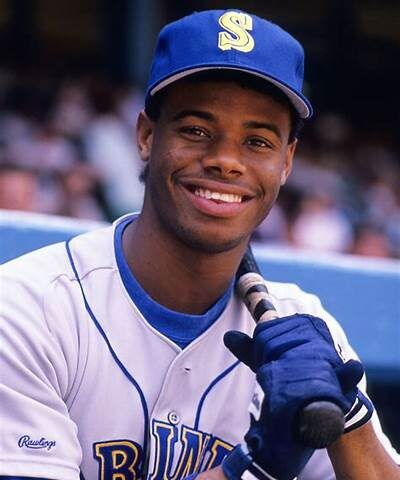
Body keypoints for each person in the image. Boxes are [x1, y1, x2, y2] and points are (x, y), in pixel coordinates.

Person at [0, 9, 399, 480]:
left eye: (258, 141)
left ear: (287, 162)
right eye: (196, 130)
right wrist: (253, 468)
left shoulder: (304, 329)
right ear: (147, 135)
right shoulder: (29, 308)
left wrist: (349, 417)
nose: (226, 161)